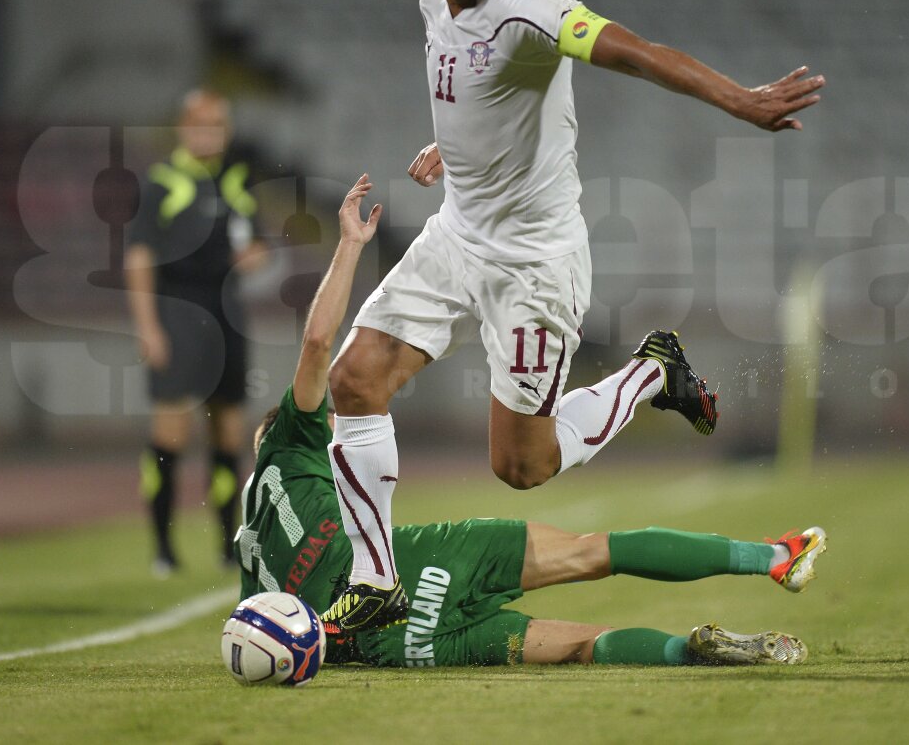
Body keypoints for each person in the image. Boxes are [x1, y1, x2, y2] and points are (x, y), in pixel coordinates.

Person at [322, 0, 826, 631]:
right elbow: (484, 94)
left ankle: (655, 369)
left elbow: (634, 52)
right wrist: (451, 148)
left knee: (521, 467)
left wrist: (738, 100)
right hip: (458, 234)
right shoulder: (435, 4)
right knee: (354, 379)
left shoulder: (530, 7)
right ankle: (375, 582)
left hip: (534, 265)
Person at [236, 175, 828, 669]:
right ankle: (772, 557)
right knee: (595, 550)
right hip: (428, 562)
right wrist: (350, 244)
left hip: (383, 642)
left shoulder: (250, 559)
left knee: (579, 647)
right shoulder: (292, 441)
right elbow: (317, 343)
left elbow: (264, 636)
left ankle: (684, 651)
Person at [125, 89, 265, 575]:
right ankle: (163, 548)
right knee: (171, 433)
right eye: (201, 124)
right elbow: (139, 257)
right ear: (185, 128)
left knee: (229, 433)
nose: (210, 133)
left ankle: (228, 548)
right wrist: (148, 327)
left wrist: (256, 256)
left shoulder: (236, 180)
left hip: (227, 315)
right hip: (176, 314)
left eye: (218, 125)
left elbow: (259, 242)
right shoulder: (162, 182)